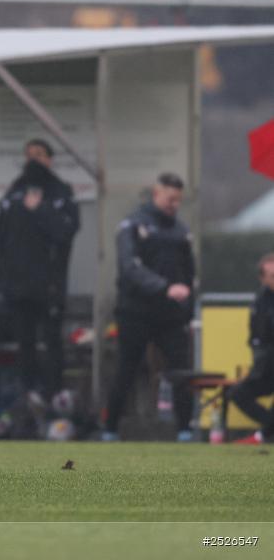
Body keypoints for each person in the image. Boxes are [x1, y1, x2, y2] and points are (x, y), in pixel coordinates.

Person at [103, 173, 196, 442]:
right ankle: (109, 429)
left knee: (180, 373)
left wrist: (187, 307)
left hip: (171, 315)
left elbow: (190, 274)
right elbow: (130, 269)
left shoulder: (181, 231)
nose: (174, 204)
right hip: (136, 312)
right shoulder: (132, 226)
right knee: (126, 370)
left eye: (178, 200)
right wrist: (164, 287)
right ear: (156, 194)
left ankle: (184, 430)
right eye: (170, 198)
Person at [0, 139, 79, 408]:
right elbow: (0, 235)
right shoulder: (15, 191)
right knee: (25, 344)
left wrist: (39, 210)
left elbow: (67, 231)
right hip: (18, 287)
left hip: (49, 286)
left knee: (52, 343)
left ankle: (54, 395)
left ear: (50, 159)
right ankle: (28, 395)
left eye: (39, 155)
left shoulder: (61, 192)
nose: (33, 160)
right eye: (29, 155)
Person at [229, 253, 274, 445]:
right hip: (266, 367)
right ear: (262, 278)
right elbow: (257, 338)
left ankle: (263, 434)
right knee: (237, 393)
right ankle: (267, 430)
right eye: (272, 275)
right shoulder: (260, 301)